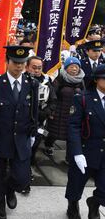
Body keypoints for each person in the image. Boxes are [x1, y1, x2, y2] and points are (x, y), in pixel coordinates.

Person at [0, 46, 38, 219]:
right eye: (15, 62)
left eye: (22, 63)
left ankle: (10, 189)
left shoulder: (32, 84)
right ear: (7, 62)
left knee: (22, 178)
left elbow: (34, 111)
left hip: (21, 137)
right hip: (0, 138)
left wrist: (33, 133)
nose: (19, 66)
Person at [65, 64, 105, 219]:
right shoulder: (82, 98)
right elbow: (73, 126)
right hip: (86, 150)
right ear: (96, 80)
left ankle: (94, 203)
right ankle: (72, 205)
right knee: (76, 184)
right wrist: (77, 153)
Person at [23, 56, 56, 194]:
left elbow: (53, 101)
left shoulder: (47, 82)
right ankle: (22, 174)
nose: (37, 70)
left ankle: (29, 166)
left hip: (40, 122)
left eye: (39, 68)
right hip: (23, 121)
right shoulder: (22, 80)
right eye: (34, 67)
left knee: (34, 145)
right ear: (27, 67)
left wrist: (46, 112)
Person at [44, 57, 85, 157]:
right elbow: (53, 95)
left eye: (76, 67)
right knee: (53, 132)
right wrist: (52, 111)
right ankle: (49, 146)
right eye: (71, 67)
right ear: (66, 68)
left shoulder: (81, 80)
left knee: (71, 134)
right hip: (58, 110)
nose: (74, 69)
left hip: (73, 111)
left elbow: (84, 95)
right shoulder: (60, 78)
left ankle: (69, 155)